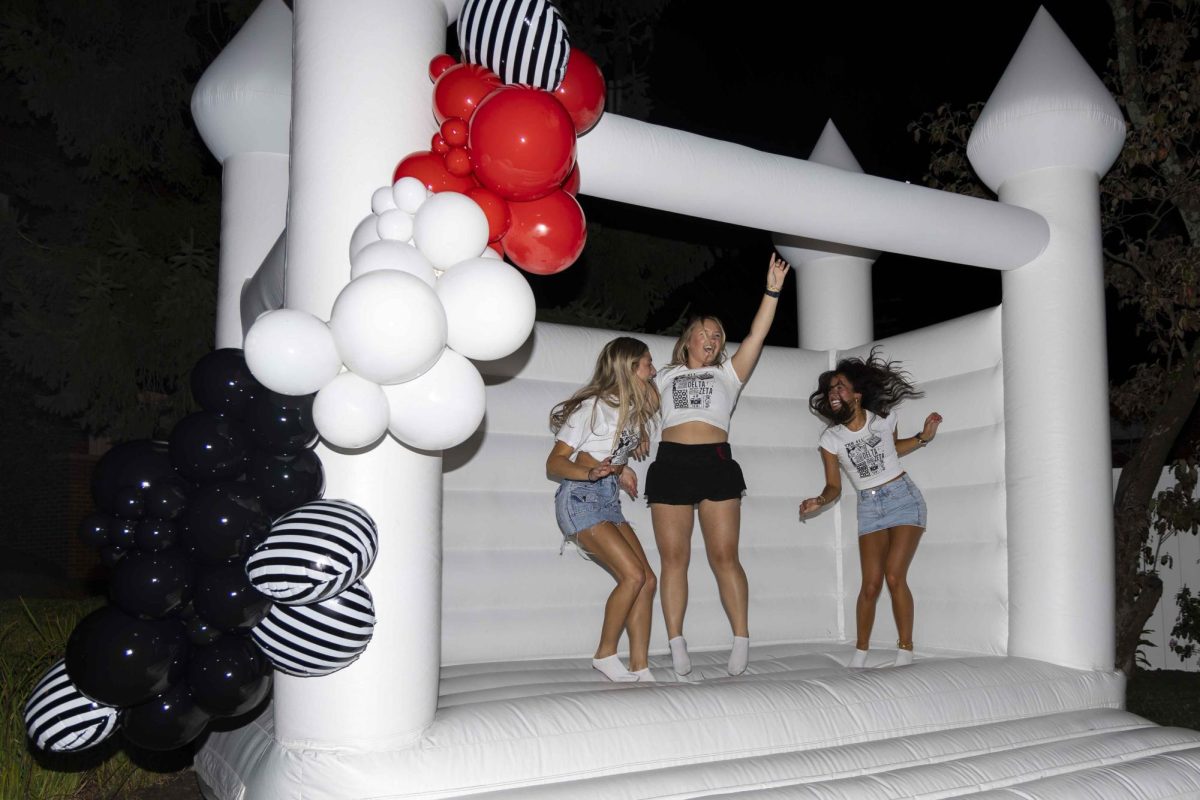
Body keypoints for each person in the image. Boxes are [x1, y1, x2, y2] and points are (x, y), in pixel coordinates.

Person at [646, 252, 791, 677]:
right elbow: (633, 407)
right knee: (674, 559)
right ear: (687, 339)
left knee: (724, 556)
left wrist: (772, 290)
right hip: (671, 461)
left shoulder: (728, 373)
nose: (711, 339)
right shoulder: (664, 376)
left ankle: (742, 638)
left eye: (717, 335)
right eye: (704, 333)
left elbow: (757, 336)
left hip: (715, 460)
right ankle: (676, 642)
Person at [798, 349, 942, 668]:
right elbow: (834, 486)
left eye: (840, 386)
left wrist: (922, 438)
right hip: (869, 507)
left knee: (893, 575)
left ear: (857, 395)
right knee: (871, 584)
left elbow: (893, 449)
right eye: (831, 388)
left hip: (903, 498)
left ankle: (905, 649)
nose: (834, 392)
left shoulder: (884, 419)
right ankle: (860, 651)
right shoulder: (831, 439)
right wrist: (820, 500)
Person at [547, 337, 660, 682]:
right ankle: (605, 654)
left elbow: (605, 451)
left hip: (606, 499)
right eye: (647, 364)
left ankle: (641, 667)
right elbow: (554, 463)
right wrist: (590, 472)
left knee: (648, 580)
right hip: (581, 499)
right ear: (629, 369)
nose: (653, 370)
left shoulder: (627, 412)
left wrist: (621, 469)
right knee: (633, 576)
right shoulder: (591, 408)